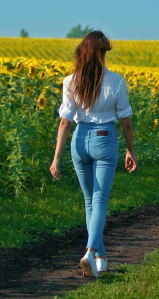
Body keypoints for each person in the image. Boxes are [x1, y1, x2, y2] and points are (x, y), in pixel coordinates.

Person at [50, 30, 137, 279]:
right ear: (101, 53)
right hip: (105, 139)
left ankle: (101, 258)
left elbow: (65, 122)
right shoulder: (116, 81)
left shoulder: (70, 81)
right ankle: (89, 251)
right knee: (100, 200)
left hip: (79, 140)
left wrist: (56, 157)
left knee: (90, 201)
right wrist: (131, 150)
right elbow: (126, 121)